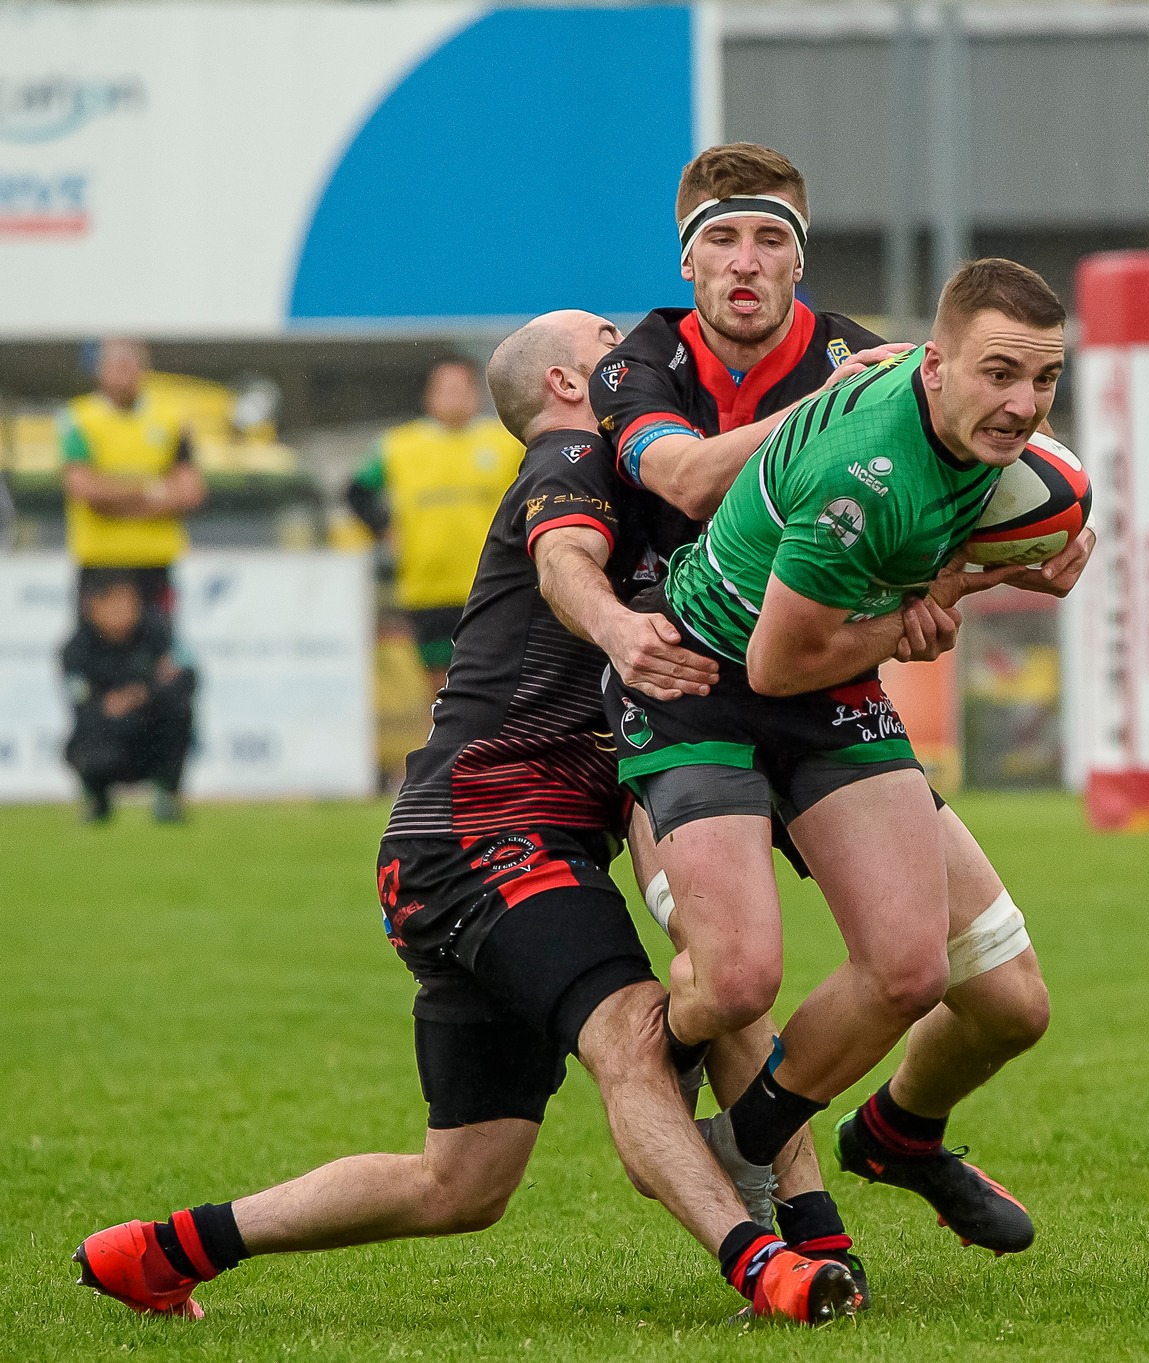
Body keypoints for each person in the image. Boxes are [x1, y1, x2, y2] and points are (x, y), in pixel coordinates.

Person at [71, 311, 859, 1328]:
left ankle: (160, 1251)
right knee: (642, 1023)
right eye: (611, 344)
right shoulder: (576, 455)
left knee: (462, 1182)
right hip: (487, 832)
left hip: (468, 848)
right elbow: (570, 560)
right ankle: (772, 1262)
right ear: (573, 384)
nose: (638, 355)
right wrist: (833, 404)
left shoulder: (625, 476)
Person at [573, 145, 1069, 1278]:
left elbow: (992, 506)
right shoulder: (638, 361)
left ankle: (897, 1136)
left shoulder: (881, 357)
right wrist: (840, 429)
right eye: (722, 239)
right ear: (687, 256)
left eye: (773, 240)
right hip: (688, 678)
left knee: (998, 996)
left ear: (802, 254)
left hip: (828, 680)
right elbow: (692, 484)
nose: (747, 264)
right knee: (734, 973)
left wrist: (993, 558)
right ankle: (757, 1186)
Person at [346, 356, 523, 693]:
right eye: (446, 389)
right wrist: (384, 529)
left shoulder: (506, 443)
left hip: (492, 585)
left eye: (462, 388)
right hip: (426, 588)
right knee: (441, 689)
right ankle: (449, 747)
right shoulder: (399, 445)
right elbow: (356, 493)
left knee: (495, 682)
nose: (454, 397)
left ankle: (488, 747)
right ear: (430, 395)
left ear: (476, 394)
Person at [59, 337, 205, 624]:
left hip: (155, 559)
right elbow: (84, 488)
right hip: (100, 559)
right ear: (100, 369)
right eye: (116, 362)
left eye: (131, 362)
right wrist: (155, 491)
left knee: (158, 656)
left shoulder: (171, 417)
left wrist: (115, 501)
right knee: (99, 652)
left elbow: (190, 491)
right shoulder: (78, 418)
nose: (124, 369)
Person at [61, 575, 195, 824]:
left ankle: (168, 795)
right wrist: (110, 705)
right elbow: (82, 705)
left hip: (150, 730)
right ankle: (96, 797)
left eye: (130, 604)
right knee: (86, 744)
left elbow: (186, 678)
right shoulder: (76, 649)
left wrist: (140, 696)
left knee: (180, 712)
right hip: (108, 736)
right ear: (96, 608)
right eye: (116, 605)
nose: (125, 613)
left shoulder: (157, 632)